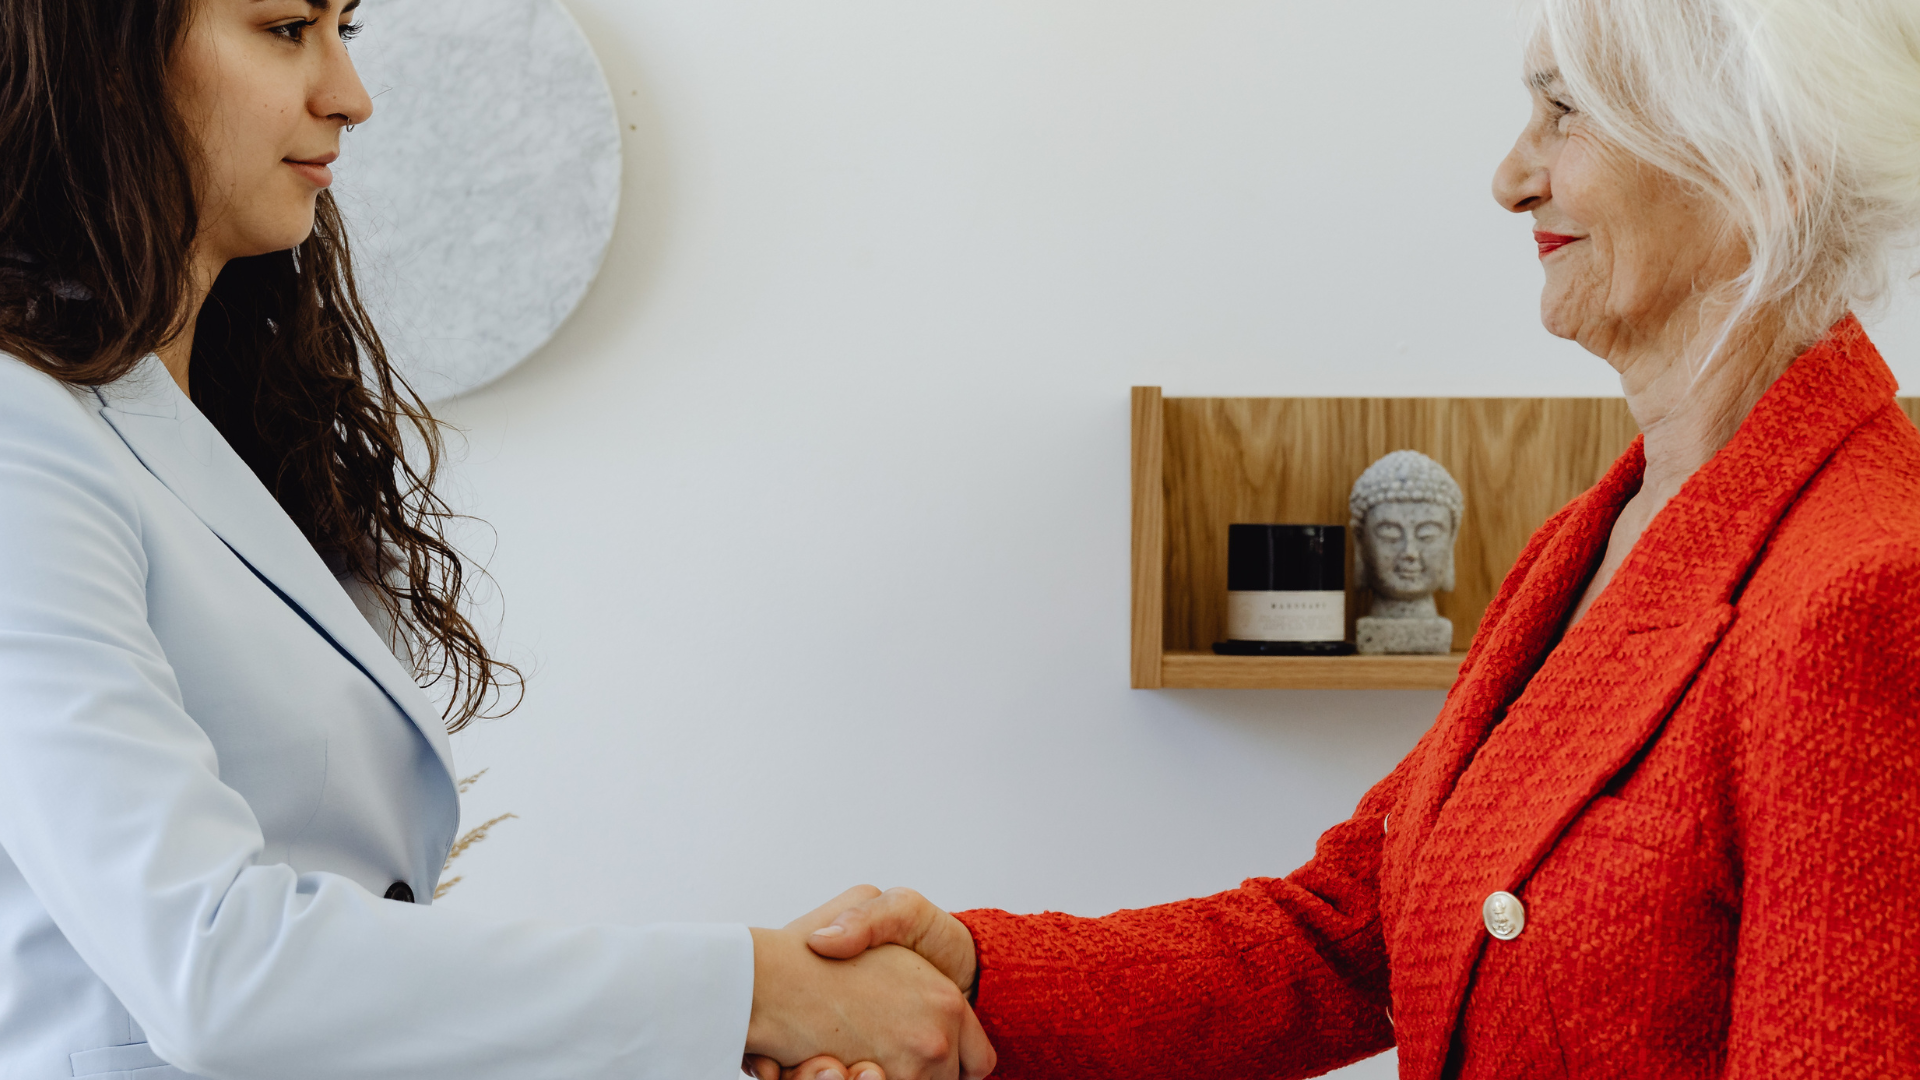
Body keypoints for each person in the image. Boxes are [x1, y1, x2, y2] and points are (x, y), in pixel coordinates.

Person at [775, 0, 1920, 1076]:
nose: (1511, 179)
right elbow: (1348, 929)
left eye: (1564, 112)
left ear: (1767, 168)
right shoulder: (1590, 537)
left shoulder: (1872, 588)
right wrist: (974, 977)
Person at [0, 3, 994, 1078]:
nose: (350, 94)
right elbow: (213, 969)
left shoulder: (210, 424)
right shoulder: (20, 434)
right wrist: (757, 990)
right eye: (286, 27)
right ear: (103, 54)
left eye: (345, 28)